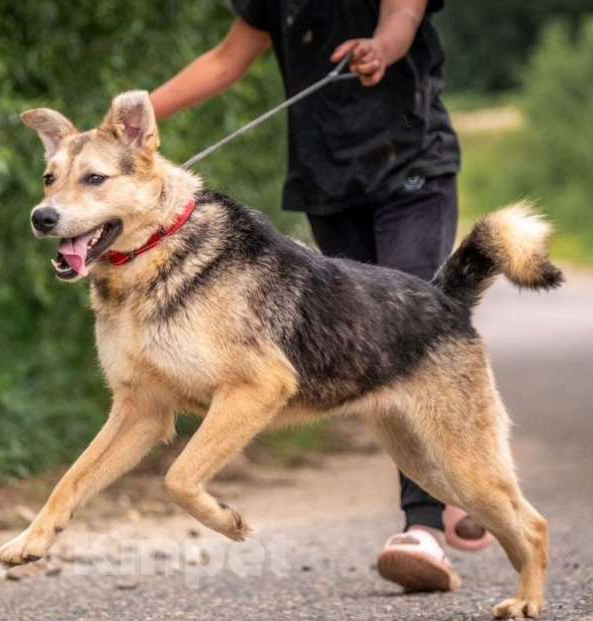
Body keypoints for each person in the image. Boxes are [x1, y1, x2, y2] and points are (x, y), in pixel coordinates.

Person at [150, 0, 493, 592]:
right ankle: (454, 487)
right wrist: (129, 119)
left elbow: (400, 21)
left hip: (411, 163)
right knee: (362, 349)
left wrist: (382, 47)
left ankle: (424, 528)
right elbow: (227, 60)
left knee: (409, 336)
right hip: (328, 181)